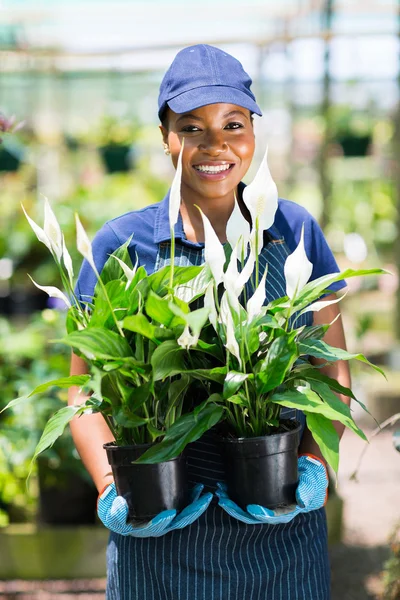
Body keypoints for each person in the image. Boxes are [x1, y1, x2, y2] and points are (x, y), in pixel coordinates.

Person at [69, 44, 349, 600]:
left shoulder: (292, 232)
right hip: (159, 546)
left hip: (283, 541)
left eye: (233, 124)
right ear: (164, 135)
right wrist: (110, 490)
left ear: (253, 132)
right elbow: (82, 392)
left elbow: (331, 375)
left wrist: (313, 469)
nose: (215, 145)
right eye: (191, 127)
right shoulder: (122, 246)